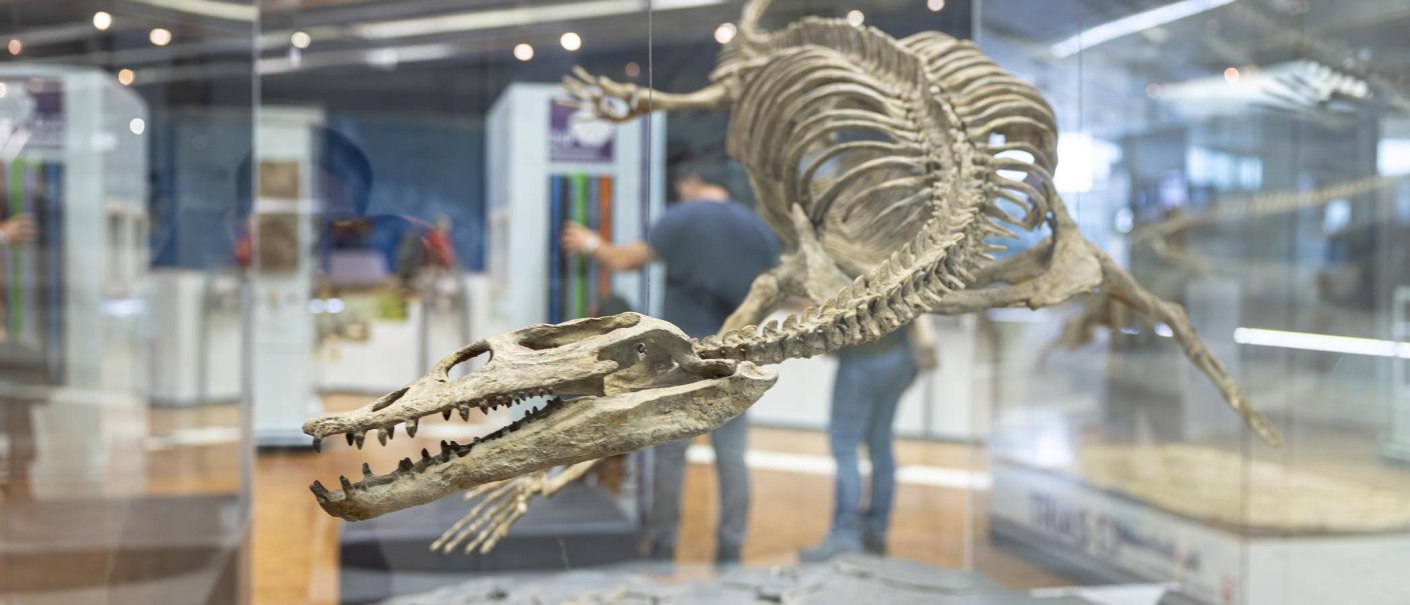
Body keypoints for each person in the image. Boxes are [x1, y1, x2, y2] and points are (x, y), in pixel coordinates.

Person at [561, 162, 778, 565]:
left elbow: (626, 260)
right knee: (731, 457)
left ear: (692, 181)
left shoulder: (682, 218)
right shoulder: (758, 231)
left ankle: (663, 545)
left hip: (682, 357)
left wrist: (592, 244)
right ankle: (731, 548)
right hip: (735, 356)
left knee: (670, 454)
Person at [799, 324, 924, 561]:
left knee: (845, 446)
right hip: (898, 354)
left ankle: (845, 534)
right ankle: (875, 529)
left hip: (863, 357)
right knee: (880, 443)